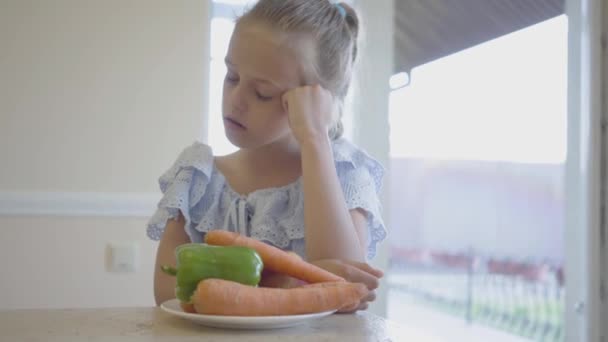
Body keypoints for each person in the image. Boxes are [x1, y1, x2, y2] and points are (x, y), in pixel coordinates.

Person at [147, 0, 387, 312]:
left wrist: (315, 138)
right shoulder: (197, 178)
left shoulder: (346, 174)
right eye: (231, 76)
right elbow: (167, 294)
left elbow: (345, 294)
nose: (235, 100)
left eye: (262, 93)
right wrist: (287, 283)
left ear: (313, 101)